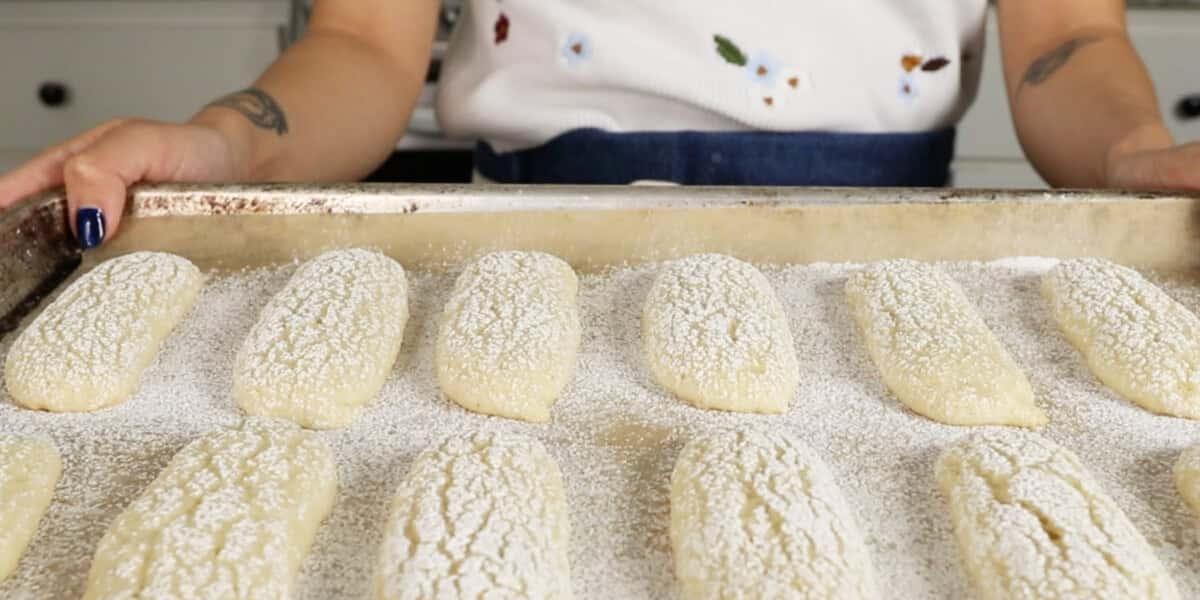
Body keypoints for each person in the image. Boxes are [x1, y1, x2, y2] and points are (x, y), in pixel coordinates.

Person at [0, 0, 1197, 250]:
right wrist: (232, 140)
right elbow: (367, 45)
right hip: (528, 250)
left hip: (880, 255)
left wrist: (1139, 150)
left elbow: (1066, 37)